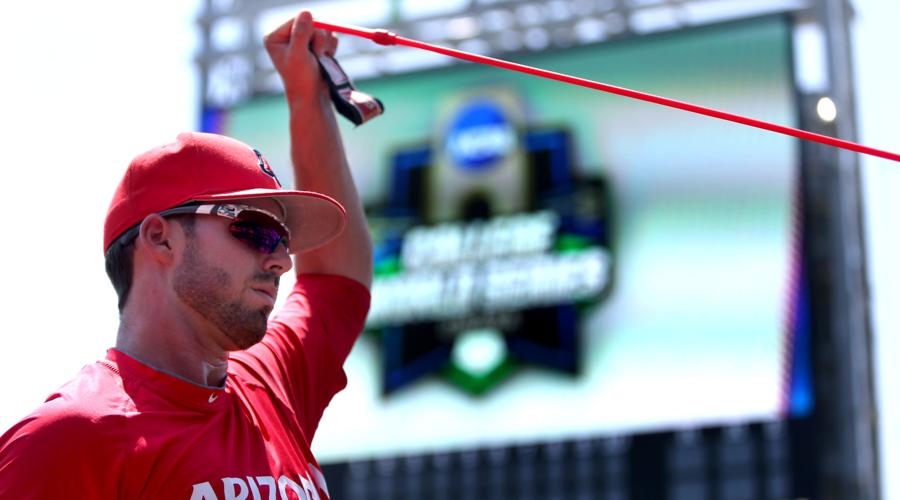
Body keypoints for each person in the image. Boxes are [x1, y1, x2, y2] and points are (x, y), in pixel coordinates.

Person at [0, 11, 371, 500]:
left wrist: (309, 100)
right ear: (160, 239)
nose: (282, 260)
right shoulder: (67, 440)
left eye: (283, 240)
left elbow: (335, 283)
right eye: (256, 231)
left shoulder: (268, 383)